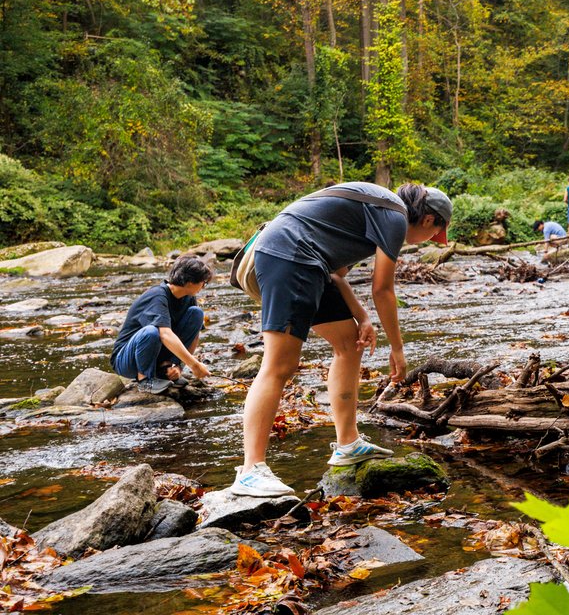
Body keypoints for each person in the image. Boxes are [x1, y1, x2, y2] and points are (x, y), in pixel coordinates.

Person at [230, 181, 452, 498]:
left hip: (309, 262)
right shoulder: (394, 216)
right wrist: (398, 349)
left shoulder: (378, 212)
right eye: (434, 234)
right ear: (429, 220)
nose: (429, 240)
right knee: (280, 364)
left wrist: (362, 319)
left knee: (349, 344)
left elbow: (337, 275)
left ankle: (348, 444)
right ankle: (251, 471)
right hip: (289, 255)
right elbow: (383, 289)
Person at [111, 254, 213, 394]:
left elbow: (194, 335)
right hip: (127, 360)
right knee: (152, 331)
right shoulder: (157, 296)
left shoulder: (189, 298)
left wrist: (178, 366)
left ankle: (165, 370)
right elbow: (165, 334)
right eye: (203, 282)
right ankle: (144, 380)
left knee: (197, 313)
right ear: (190, 282)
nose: (203, 286)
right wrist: (194, 365)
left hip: (156, 355)